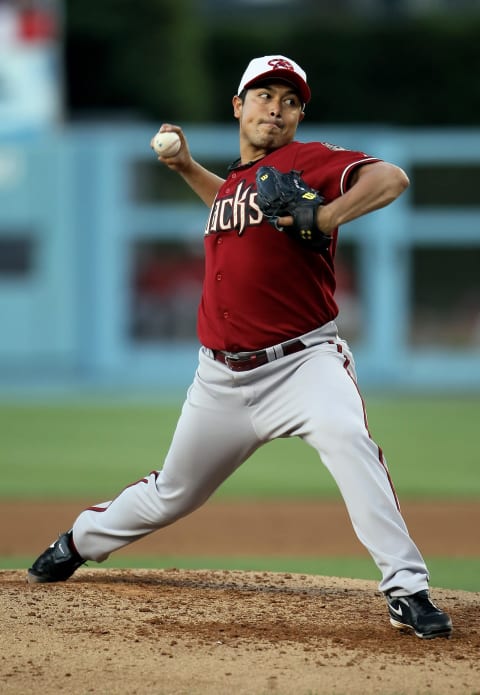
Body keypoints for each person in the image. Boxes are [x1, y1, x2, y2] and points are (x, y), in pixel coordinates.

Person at [28, 55, 452, 640]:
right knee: (172, 493)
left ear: (301, 115)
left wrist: (325, 215)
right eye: (263, 95)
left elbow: (391, 179)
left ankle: (406, 588)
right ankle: (76, 541)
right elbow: (232, 206)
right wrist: (184, 167)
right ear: (238, 106)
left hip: (304, 364)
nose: (275, 108)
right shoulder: (237, 185)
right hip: (221, 381)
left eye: (289, 100)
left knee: (349, 440)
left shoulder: (303, 161)